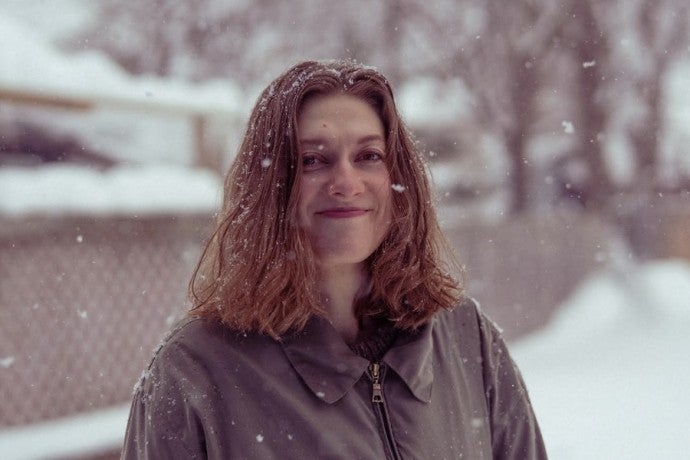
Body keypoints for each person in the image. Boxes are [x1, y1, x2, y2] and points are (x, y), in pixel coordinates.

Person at [122, 60, 547, 459]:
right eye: (313, 160)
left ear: (398, 179)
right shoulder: (196, 372)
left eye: (368, 156)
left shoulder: (467, 339)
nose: (346, 181)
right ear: (271, 187)